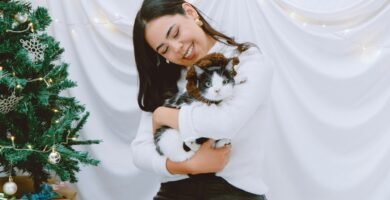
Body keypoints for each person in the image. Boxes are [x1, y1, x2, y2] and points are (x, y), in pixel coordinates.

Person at [131, 0, 274, 199]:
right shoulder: (165, 79)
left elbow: (225, 123)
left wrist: (162, 115)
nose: (177, 48)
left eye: (175, 33)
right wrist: (187, 165)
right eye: (164, 50)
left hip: (232, 192)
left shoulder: (245, 61)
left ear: (190, 12)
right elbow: (140, 151)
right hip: (171, 192)